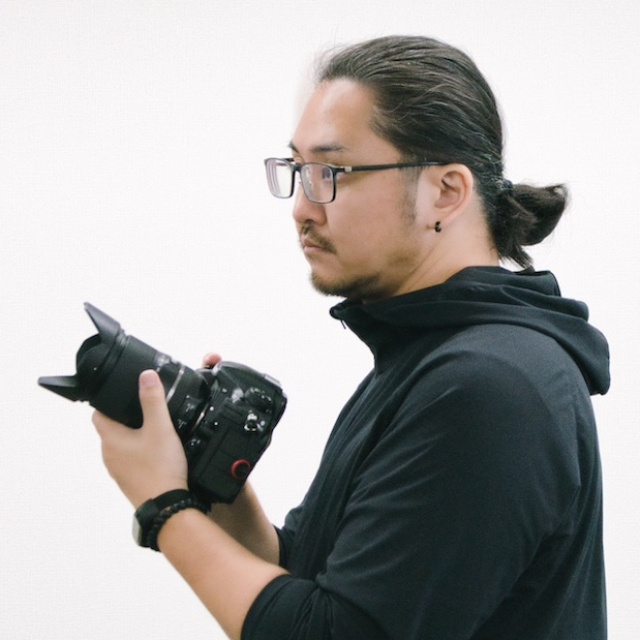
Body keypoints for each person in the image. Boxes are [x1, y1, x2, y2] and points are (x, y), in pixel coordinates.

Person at [93, 35, 610, 640]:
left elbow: (336, 632)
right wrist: (212, 485)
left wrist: (165, 508)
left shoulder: (490, 388)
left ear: (446, 192)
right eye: (297, 171)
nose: (301, 208)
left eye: (329, 173)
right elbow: (322, 584)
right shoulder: (433, 360)